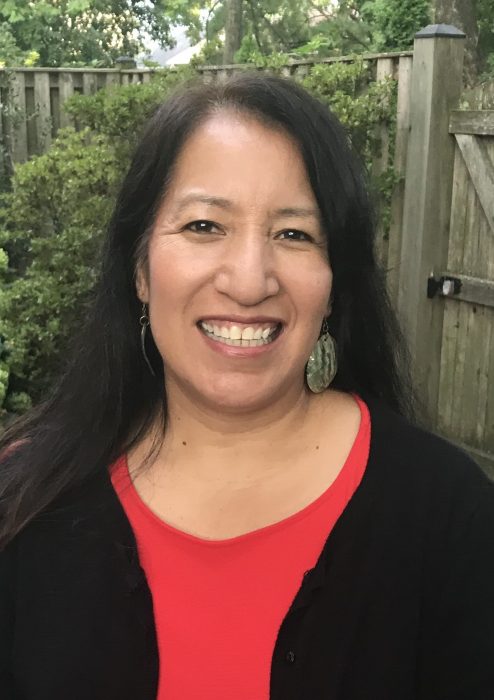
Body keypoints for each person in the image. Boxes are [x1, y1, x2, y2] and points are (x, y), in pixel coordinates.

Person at [0, 73, 492, 700]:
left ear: (334, 284)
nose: (250, 279)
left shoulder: (451, 518)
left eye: (293, 234)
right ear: (140, 269)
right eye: (205, 226)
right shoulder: (27, 505)